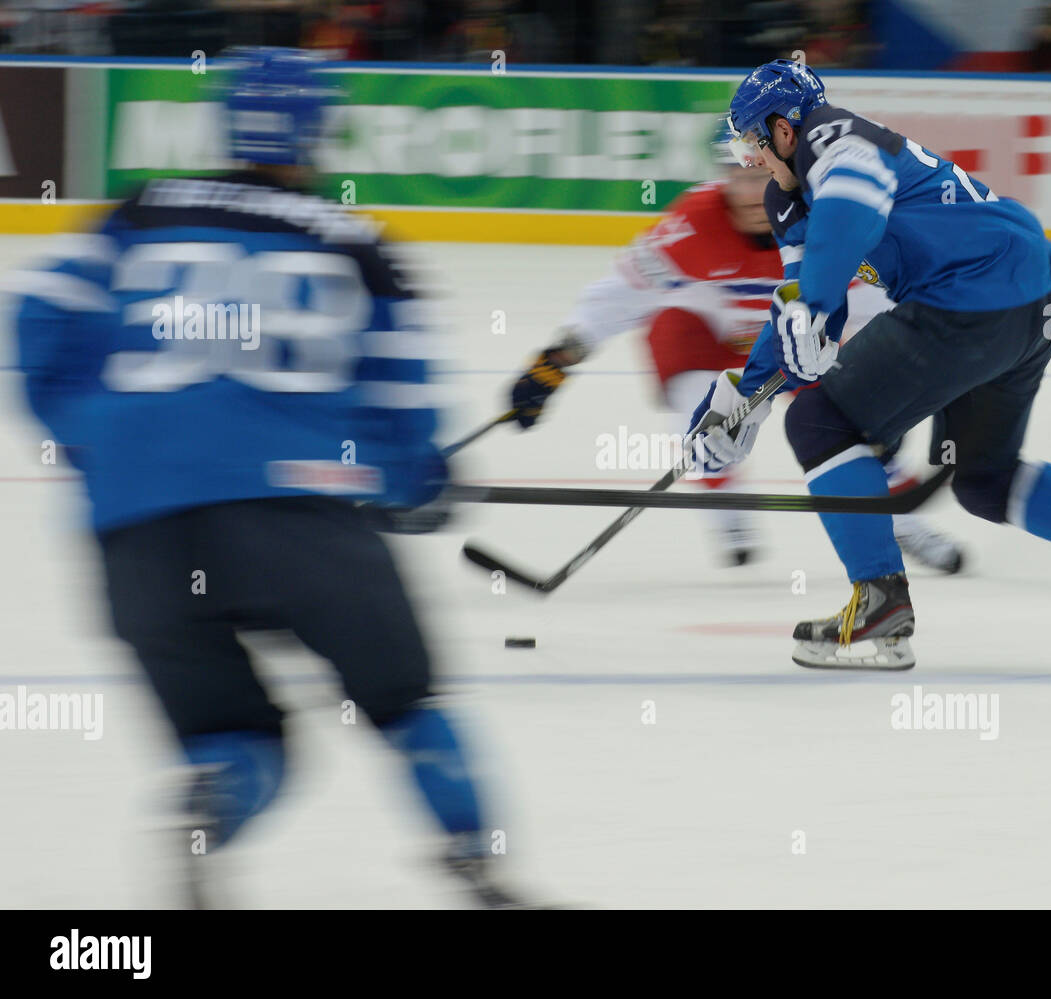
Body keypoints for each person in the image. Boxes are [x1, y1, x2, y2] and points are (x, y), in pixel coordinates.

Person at [11, 47, 523, 907]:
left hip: (140, 530)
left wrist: (94, 438)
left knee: (233, 734)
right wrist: (415, 482)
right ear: (316, 131)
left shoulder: (138, 213)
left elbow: (37, 320)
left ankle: (210, 803)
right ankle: (478, 861)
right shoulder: (361, 245)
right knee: (402, 704)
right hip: (300, 514)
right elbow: (399, 408)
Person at [689, 59, 1051, 670]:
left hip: (966, 305)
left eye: (753, 140)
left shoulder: (835, 139)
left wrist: (809, 310)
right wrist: (740, 400)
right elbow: (808, 315)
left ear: (784, 129)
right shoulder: (789, 197)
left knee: (819, 424)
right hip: (1027, 308)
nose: (748, 158)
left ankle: (879, 607)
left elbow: (845, 225)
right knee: (984, 479)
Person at [507, 122, 965, 572]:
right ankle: (727, 511)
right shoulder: (692, 222)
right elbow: (623, 290)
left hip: (795, 341)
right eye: (738, 176)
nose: (749, 193)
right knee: (692, 391)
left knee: (847, 425)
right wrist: (559, 358)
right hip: (713, 337)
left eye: (760, 176)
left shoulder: (830, 218)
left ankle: (904, 523)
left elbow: (872, 306)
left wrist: (878, 393)